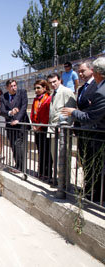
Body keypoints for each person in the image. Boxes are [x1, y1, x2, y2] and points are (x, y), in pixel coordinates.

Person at [61, 57, 105, 202]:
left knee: (96, 166)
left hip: (95, 132)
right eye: (78, 71)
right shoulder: (82, 88)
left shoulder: (99, 89)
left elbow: (91, 115)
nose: (79, 74)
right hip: (84, 132)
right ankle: (90, 190)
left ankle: (96, 194)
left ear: (94, 71)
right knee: (87, 163)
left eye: (82, 71)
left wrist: (73, 112)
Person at [47, 73, 76, 185]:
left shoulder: (66, 91)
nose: (53, 84)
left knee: (62, 158)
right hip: (54, 129)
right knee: (56, 158)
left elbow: (71, 110)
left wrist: (65, 126)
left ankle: (64, 183)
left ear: (60, 80)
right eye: (50, 83)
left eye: (55, 81)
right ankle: (59, 181)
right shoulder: (54, 93)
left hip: (62, 130)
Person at [0, 79, 30, 173]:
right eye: (11, 86)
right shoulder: (3, 97)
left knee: (19, 145)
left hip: (21, 124)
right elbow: (2, 111)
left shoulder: (22, 92)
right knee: (13, 145)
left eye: (14, 85)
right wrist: (10, 112)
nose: (13, 88)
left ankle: (22, 167)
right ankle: (17, 165)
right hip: (10, 125)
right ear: (7, 87)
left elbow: (24, 107)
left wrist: (18, 119)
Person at [30, 80, 53, 180]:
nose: (36, 90)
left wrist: (40, 125)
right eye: (35, 88)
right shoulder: (36, 100)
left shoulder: (48, 99)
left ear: (44, 88)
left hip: (44, 128)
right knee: (40, 151)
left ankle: (47, 173)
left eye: (38, 88)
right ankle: (41, 171)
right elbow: (32, 113)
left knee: (46, 152)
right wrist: (34, 125)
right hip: (37, 129)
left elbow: (48, 114)